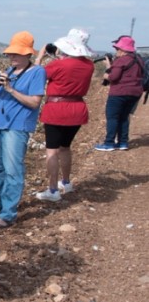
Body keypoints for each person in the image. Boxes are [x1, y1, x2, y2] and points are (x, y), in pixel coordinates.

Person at [0, 31, 46, 229]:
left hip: (16, 127)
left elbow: (35, 102)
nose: (12, 57)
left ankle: (8, 214)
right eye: (10, 54)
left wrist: (10, 89)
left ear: (28, 54)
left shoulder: (37, 72)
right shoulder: (8, 72)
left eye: (16, 54)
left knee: (12, 170)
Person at [32, 28, 95, 201]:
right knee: (65, 147)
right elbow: (71, 69)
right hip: (77, 108)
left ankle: (53, 191)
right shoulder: (89, 65)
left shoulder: (57, 65)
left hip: (57, 109)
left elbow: (35, 75)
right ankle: (66, 182)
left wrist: (40, 57)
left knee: (52, 151)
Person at [95, 35, 143, 151]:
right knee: (124, 117)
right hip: (135, 92)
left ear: (122, 50)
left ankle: (109, 143)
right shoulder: (139, 59)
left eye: (117, 49)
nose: (116, 51)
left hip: (119, 93)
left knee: (113, 117)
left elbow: (114, 77)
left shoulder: (121, 60)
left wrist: (107, 74)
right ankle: (123, 143)